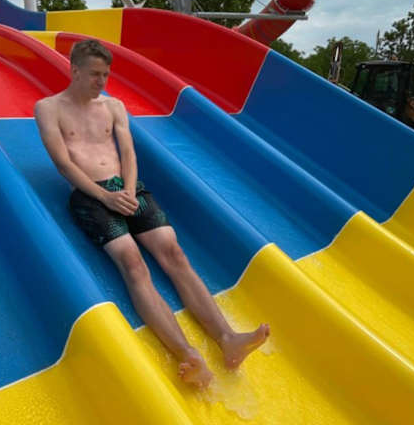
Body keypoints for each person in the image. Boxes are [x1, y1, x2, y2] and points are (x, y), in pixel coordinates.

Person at [34, 39, 270, 388]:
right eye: (95, 74)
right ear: (75, 70)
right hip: (90, 195)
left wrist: (128, 191)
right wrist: (106, 197)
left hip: (127, 189)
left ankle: (228, 339)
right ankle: (188, 355)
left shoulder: (113, 106)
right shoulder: (48, 108)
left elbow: (128, 153)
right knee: (133, 262)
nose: (102, 81)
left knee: (173, 252)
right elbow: (63, 164)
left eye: (106, 74)